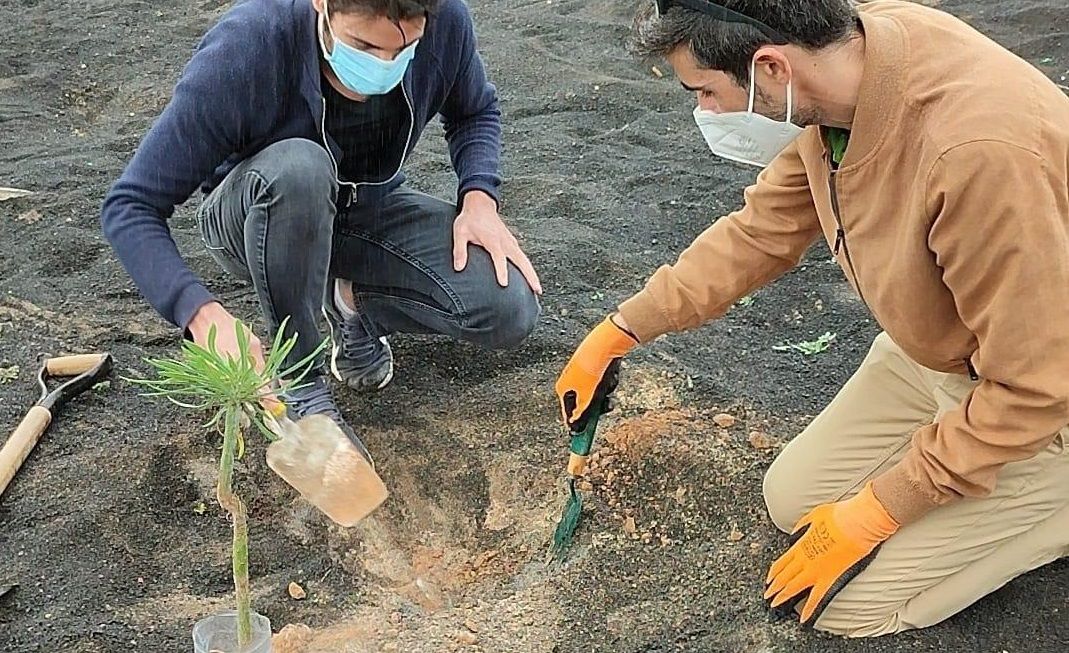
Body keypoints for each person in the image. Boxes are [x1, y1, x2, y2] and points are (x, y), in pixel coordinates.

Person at [555, 0, 1069, 638]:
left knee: (847, 608)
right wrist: (622, 330)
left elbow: (1036, 386)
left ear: (770, 67)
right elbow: (761, 232)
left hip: (1036, 394)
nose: (705, 113)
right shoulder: (844, 67)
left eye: (706, 92)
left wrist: (879, 510)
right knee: (791, 500)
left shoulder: (975, 157)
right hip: (935, 348)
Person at [101, 0, 542, 459]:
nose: (383, 66)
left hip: (367, 205)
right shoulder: (250, 44)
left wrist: (479, 199)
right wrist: (200, 315)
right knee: (300, 169)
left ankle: (351, 305)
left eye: (403, 49)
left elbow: (475, 111)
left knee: (506, 306)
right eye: (364, 45)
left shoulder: (446, 21)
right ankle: (301, 383)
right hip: (255, 214)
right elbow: (130, 205)